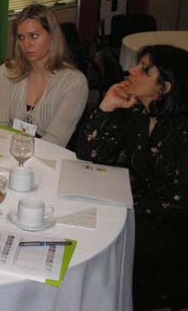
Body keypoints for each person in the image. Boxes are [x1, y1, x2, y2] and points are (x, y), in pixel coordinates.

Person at [75, 45, 188, 311]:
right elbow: (89, 155)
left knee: (103, 242)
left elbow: (179, 202)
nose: (131, 70)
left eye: (144, 69)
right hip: (138, 208)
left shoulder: (182, 131)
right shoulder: (138, 113)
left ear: (165, 87)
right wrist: (107, 105)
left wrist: (126, 205)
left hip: (173, 228)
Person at [0, 4, 88, 147]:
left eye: (33, 36)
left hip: (50, 154)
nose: (26, 44)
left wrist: (19, 153)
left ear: (52, 36)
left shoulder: (74, 83)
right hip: (8, 150)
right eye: (21, 37)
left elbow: (55, 141)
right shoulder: (7, 72)